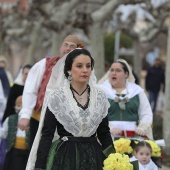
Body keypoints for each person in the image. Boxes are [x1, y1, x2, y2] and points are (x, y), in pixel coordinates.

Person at [26, 48, 114, 170]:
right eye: (79, 66)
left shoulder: (100, 96)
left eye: (88, 66)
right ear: (68, 70)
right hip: (65, 158)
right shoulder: (57, 97)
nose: (85, 70)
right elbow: (47, 134)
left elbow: (104, 133)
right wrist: (39, 167)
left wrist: (114, 160)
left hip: (94, 157)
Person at [18, 35, 84, 147]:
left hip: (66, 123)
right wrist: (25, 114)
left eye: (72, 46)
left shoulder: (82, 70)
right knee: (38, 153)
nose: (67, 48)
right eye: (65, 45)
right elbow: (30, 89)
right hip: (40, 119)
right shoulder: (45, 63)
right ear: (60, 47)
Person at [98, 59, 153, 140]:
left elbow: (146, 113)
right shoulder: (101, 91)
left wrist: (142, 128)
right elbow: (96, 114)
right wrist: (109, 127)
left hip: (133, 136)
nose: (113, 73)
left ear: (126, 74)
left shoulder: (136, 91)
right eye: (112, 70)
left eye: (118, 70)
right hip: (108, 135)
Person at [0, 96, 30, 170]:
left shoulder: (31, 121)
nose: (21, 108)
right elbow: (4, 133)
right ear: (15, 107)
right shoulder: (10, 119)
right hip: (13, 152)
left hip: (27, 153)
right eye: (18, 106)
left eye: (23, 106)